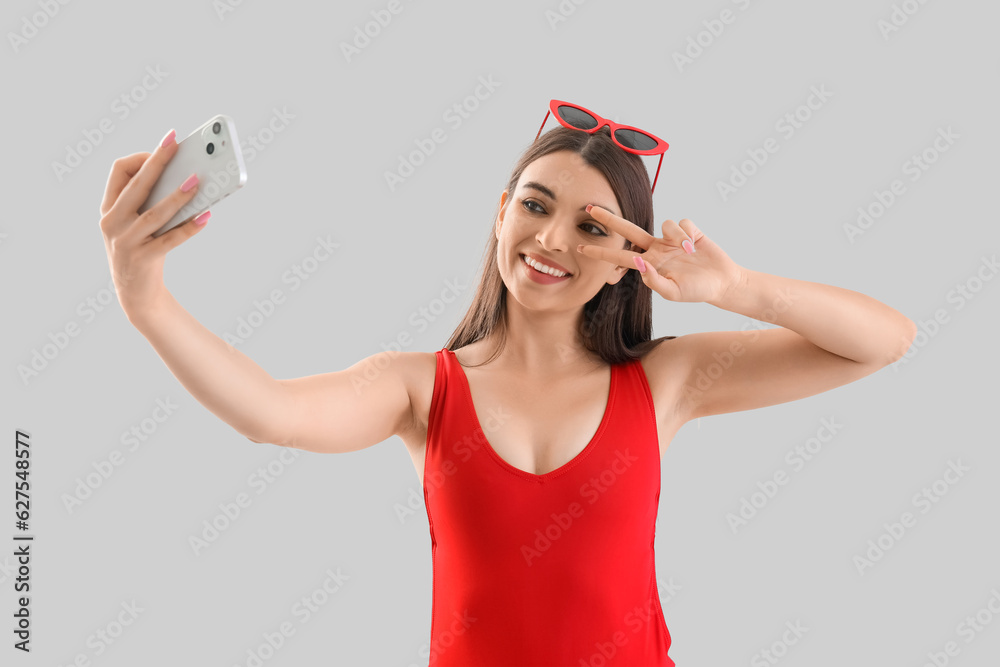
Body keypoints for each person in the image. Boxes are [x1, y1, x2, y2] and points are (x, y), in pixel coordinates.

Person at [98, 100, 917, 667]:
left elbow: (885, 341)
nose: (552, 238)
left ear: (627, 258)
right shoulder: (421, 389)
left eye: (593, 227)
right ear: (500, 212)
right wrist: (148, 302)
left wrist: (736, 291)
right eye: (535, 204)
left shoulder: (668, 381)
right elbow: (271, 412)